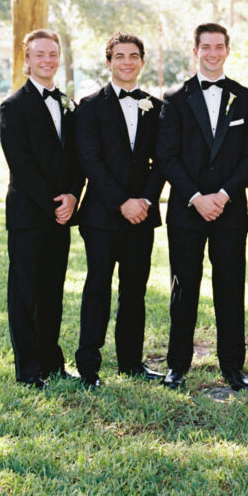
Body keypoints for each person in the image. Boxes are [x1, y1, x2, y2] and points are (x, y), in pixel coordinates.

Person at [157, 22, 248, 390]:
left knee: (230, 287)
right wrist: (197, 197)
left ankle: (233, 367)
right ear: (195, 51)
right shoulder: (174, 98)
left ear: (228, 51)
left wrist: (223, 194)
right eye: (206, 47)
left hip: (230, 210)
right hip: (187, 209)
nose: (213, 53)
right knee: (183, 287)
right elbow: (167, 157)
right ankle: (177, 366)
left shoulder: (246, 98)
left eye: (220, 47)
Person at [74, 33, 165, 388]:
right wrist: (121, 202)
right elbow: (90, 161)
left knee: (134, 290)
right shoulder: (89, 106)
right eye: (119, 56)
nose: (127, 62)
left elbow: (163, 161)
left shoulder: (156, 108)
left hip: (142, 215)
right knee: (98, 287)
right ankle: (88, 367)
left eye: (133, 56)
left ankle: (130, 362)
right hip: (100, 216)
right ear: (108, 62)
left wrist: (144, 200)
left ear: (142, 61)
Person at [0, 29, 84, 388]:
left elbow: (78, 159)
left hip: (61, 215)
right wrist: (53, 203)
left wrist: (73, 196)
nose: (47, 60)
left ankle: (51, 362)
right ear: (27, 60)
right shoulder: (12, 107)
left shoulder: (68, 103)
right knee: (25, 294)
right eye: (40, 54)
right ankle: (28, 370)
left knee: (52, 292)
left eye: (53, 54)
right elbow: (22, 165)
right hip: (29, 217)